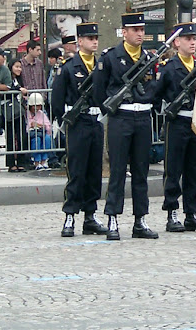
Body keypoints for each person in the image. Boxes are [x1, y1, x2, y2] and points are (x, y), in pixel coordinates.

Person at [93, 12, 159, 241]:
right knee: (118, 170)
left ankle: (140, 219)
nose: (140, 34)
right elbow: (99, 91)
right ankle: (112, 218)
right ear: (124, 32)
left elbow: (154, 88)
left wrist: (144, 99)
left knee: (141, 171)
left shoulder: (150, 58)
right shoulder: (110, 57)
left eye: (142, 30)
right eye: (135, 30)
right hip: (121, 118)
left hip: (142, 119)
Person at [154, 23, 196, 233]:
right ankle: (172, 212)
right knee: (173, 169)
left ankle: (191, 213)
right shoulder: (170, 67)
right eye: (188, 39)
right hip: (177, 122)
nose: (192, 42)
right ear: (177, 42)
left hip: (195, 123)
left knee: (193, 170)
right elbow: (156, 94)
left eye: (194, 39)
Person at [52, 22, 108, 238]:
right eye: (90, 38)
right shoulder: (68, 67)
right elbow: (57, 98)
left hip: (95, 122)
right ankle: (70, 215)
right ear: (80, 42)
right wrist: (63, 121)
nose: (94, 42)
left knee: (94, 171)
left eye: (96, 38)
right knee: (76, 171)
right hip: (77, 122)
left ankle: (90, 216)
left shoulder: (101, 65)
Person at [5, 59, 29, 172]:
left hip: (20, 110)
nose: (19, 69)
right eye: (16, 67)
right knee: (10, 136)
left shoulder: (19, 79)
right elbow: (7, 89)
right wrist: (19, 89)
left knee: (22, 136)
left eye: (20, 67)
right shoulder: (8, 78)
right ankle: (11, 163)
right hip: (10, 110)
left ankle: (21, 162)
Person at [26, 92, 52, 170]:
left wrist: (39, 125)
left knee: (47, 138)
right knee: (36, 139)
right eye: (35, 105)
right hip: (32, 134)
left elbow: (48, 126)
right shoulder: (26, 114)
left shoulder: (41, 113)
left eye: (39, 105)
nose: (37, 108)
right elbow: (27, 126)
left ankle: (44, 161)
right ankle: (37, 162)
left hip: (42, 133)